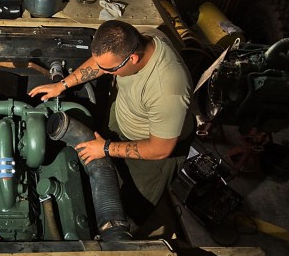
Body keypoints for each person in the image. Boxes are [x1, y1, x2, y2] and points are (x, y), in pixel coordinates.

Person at [29, 20, 194, 225]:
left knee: (129, 206)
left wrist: (105, 148)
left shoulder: (168, 89)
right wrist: (63, 84)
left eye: (110, 69)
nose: (104, 72)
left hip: (151, 151)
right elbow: (101, 64)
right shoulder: (140, 36)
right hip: (125, 115)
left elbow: (160, 149)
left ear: (133, 58)